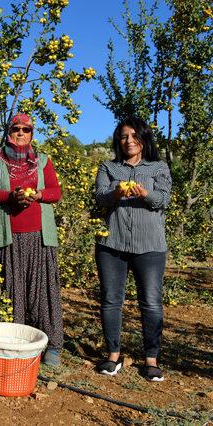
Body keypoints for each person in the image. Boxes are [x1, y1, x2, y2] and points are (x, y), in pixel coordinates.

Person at [94, 116, 172, 382]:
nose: (128, 141)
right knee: (111, 300)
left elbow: (163, 199)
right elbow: (100, 197)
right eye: (123, 137)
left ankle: (151, 359)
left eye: (133, 135)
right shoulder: (108, 167)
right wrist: (116, 194)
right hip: (111, 244)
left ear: (143, 138)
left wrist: (144, 194)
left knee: (150, 303)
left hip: (149, 246)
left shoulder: (158, 167)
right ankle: (113, 355)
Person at [0, 112, 63, 366]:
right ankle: (19, 343)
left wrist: (39, 194)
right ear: (8, 132)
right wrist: (12, 197)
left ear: (32, 134)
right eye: (16, 129)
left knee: (43, 291)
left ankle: (52, 344)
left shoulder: (42, 161)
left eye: (26, 130)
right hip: (10, 235)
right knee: (14, 290)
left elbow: (56, 192)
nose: (21, 133)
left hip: (41, 235)